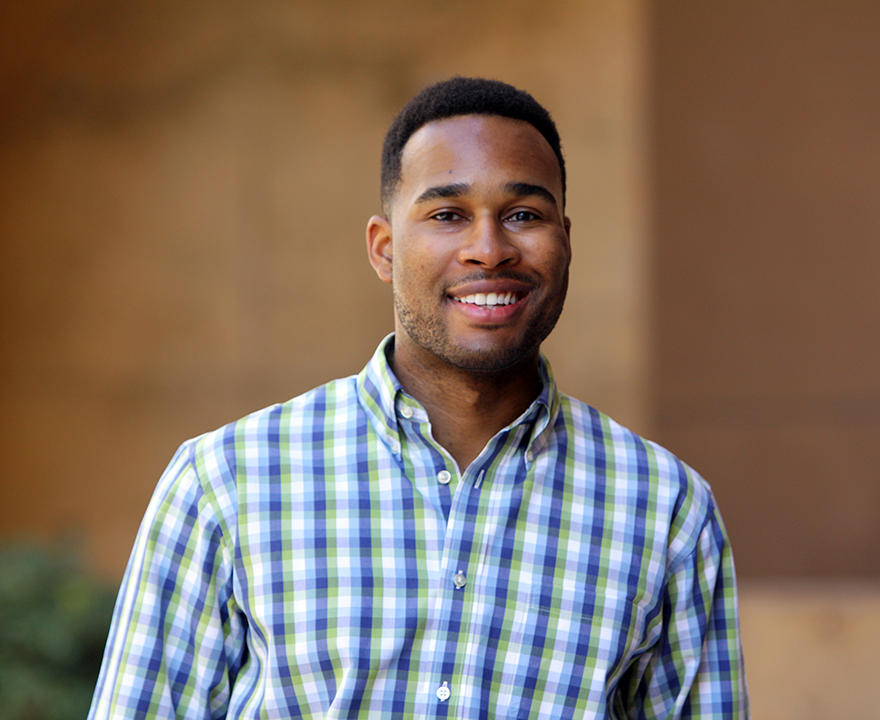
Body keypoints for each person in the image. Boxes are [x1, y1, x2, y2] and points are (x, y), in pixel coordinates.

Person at [89, 77, 748, 719]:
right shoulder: (226, 481)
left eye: (523, 215)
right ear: (384, 250)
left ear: (566, 242)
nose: (488, 250)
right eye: (447, 215)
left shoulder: (665, 508)